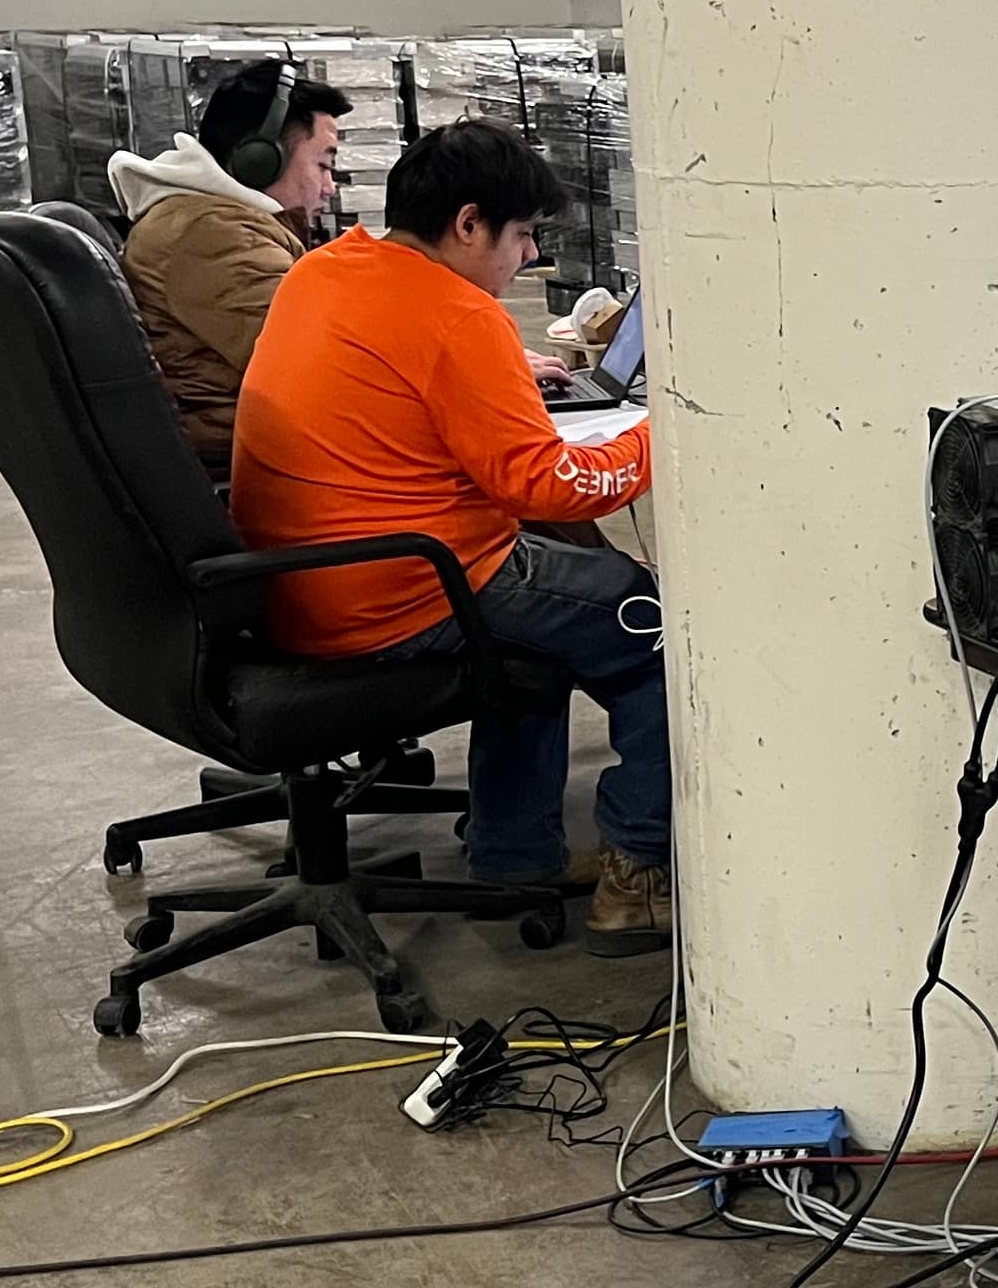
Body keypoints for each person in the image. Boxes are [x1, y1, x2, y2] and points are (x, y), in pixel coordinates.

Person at [232, 118, 673, 955]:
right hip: (403, 587)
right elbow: (543, 483)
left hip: (295, 579)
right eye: (521, 235)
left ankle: (515, 855)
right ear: (469, 224)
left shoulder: (323, 271)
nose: (528, 257)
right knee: (650, 626)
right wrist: (662, 435)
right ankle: (638, 879)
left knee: (555, 620)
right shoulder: (456, 316)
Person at [108, 62, 350, 476]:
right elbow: (328, 368)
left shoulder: (209, 221)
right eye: (323, 166)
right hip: (268, 466)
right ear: (261, 159)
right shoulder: (210, 236)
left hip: (258, 447)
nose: (329, 188)